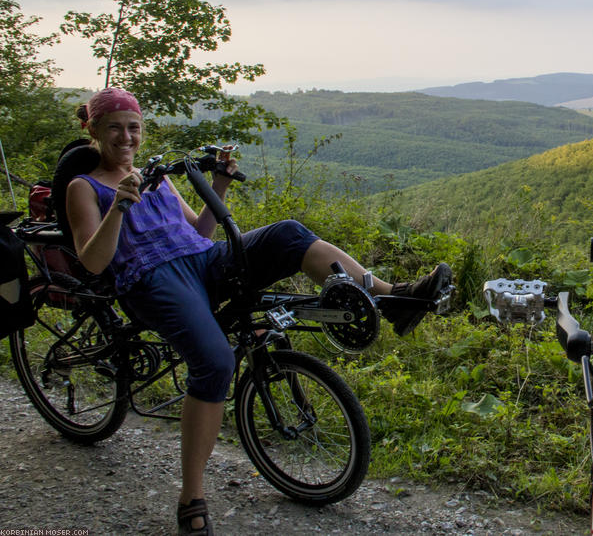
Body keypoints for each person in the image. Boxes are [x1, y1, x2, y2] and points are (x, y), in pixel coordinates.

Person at [65, 87, 451, 536]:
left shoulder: (158, 176)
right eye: (115, 128)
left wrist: (221, 183)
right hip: (151, 280)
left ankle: (392, 301)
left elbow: (200, 230)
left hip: (201, 260)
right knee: (214, 362)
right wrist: (119, 207)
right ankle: (191, 496)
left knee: (287, 234)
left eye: (133, 128)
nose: (127, 138)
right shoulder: (83, 187)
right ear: (93, 131)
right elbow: (92, 262)